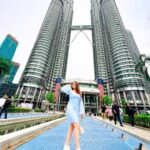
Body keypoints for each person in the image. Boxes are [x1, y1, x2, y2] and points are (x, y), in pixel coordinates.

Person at [61, 81, 85, 150]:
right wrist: (69, 84)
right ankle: (78, 147)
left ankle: (66, 145)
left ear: (77, 85)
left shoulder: (79, 93)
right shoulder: (70, 91)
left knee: (71, 128)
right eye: (72, 84)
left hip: (76, 111)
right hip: (70, 109)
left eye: (74, 84)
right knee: (76, 127)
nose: (73, 85)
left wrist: (82, 112)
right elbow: (63, 89)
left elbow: (81, 103)